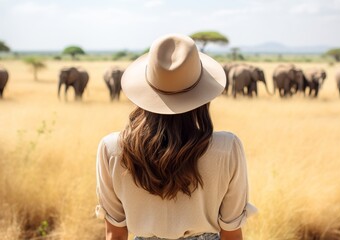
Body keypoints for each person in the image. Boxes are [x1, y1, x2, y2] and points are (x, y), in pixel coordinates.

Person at [95, 34, 257, 240]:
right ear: (203, 95)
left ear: (146, 90)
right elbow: (232, 234)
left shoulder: (111, 148)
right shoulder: (227, 147)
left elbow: (115, 235)